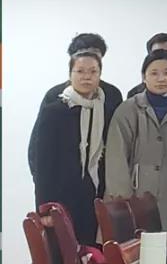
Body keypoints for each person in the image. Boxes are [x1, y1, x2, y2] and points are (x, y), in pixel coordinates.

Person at [104, 49, 167, 264]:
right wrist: (122, 205)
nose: (161, 78)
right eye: (154, 73)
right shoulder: (127, 110)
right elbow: (116, 158)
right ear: (143, 77)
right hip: (133, 202)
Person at [31, 50, 119, 245]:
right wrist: (44, 209)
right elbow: (43, 164)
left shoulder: (107, 110)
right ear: (70, 74)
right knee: (62, 257)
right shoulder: (54, 111)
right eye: (80, 71)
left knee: (92, 256)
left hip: (94, 197)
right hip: (60, 199)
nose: (87, 76)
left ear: (100, 75)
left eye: (93, 71)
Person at [31, 33, 124, 180]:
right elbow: (38, 146)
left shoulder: (112, 94)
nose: (88, 59)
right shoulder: (55, 95)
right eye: (83, 55)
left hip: (100, 177)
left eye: (95, 55)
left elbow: (117, 139)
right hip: (62, 177)